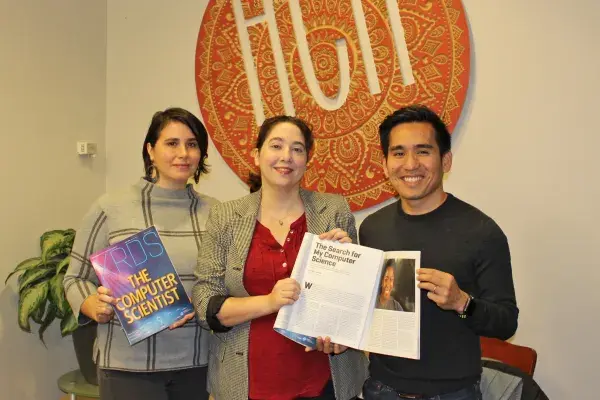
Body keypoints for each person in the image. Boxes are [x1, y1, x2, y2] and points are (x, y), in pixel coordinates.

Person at [192, 115, 368, 400]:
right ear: (257, 155)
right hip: (248, 382)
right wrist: (270, 302)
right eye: (276, 146)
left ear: (307, 159)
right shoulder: (225, 216)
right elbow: (204, 304)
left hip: (323, 381)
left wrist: (349, 264)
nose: (286, 157)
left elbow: (353, 303)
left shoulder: (334, 210)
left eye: (297, 149)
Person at [359, 105, 518, 400]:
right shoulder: (371, 228)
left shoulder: (481, 231)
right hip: (381, 389)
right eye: (398, 153)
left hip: (453, 393)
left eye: (423, 151)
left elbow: (507, 322)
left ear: (445, 160)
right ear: (384, 164)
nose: (410, 164)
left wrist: (462, 302)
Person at [64, 107, 218, 400]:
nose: (183, 153)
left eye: (192, 144)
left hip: (196, 362)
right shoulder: (112, 207)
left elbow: (224, 283)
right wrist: (91, 304)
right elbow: (75, 277)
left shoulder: (216, 212)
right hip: (126, 365)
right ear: (150, 150)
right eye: (171, 143)